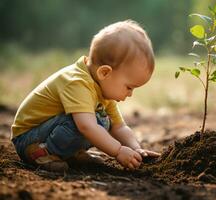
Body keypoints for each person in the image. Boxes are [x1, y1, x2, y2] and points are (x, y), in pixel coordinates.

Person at [11, 20, 160, 172]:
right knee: (90, 123)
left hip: (49, 129)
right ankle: (43, 153)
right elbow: (86, 126)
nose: (130, 94)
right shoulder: (77, 82)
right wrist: (118, 151)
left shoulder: (101, 89)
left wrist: (136, 148)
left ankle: (68, 153)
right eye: (129, 87)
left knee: (103, 121)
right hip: (28, 137)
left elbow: (119, 127)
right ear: (105, 73)